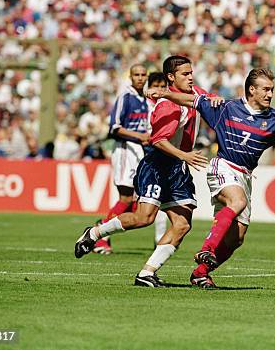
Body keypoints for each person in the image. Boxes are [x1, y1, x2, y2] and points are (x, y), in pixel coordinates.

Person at [152, 67, 275, 289]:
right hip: (222, 166)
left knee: (236, 239)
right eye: (265, 89)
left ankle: (200, 273)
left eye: (272, 90)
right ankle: (207, 249)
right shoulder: (226, 108)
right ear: (251, 90)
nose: (270, 94)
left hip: (245, 175)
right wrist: (164, 93)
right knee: (237, 201)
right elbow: (191, 100)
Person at [74, 56, 221, 288]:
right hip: (157, 165)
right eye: (185, 74)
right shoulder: (167, 106)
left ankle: (147, 273)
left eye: (191, 72)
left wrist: (216, 99)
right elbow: (158, 140)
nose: (191, 77)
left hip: (178, 168)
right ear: (171, 77)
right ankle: (94, 233)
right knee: (144, 218)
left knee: (182, 224)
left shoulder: (190, 93)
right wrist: (185, 155)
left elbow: (208, 99)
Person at [92, 64, 154, 254]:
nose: (140, 78)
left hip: (139, 151)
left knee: (135, 203)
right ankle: (99, 236)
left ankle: (101, 228)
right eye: (137, 75)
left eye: (143, 75)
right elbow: (115, 127)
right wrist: (140, 136)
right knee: (126, 198)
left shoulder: (144, 99)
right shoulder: (125, 97)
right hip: (125, 150)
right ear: (131, 76)